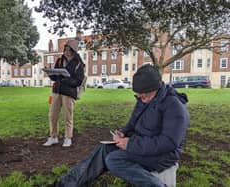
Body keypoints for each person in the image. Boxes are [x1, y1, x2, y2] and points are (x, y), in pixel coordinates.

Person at [50, 64, 190, 186]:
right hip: (141, 146)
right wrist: (123, 132)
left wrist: (131, 144)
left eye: (143, 96)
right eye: (138, 96)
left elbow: (169, 143)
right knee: (104, 149)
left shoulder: (174, 107)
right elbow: (133, 123)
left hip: (162, 155)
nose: (141, 99)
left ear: (156, 88)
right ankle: (66, 184)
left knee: (114, 160)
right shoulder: (145, 99)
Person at [43, 39, 85, 147]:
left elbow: (78, 81)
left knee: (68, 116)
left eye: (69, 50)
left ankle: (68, 138)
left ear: (74, 51)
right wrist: (49, 72)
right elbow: (55, 77)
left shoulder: (79, 64)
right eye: (65, 50)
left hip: (69, 93)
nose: (67, 52)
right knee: (52, 115)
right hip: (56, 91)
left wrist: (66, 80)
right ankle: (53, 137)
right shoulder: (59, 61)